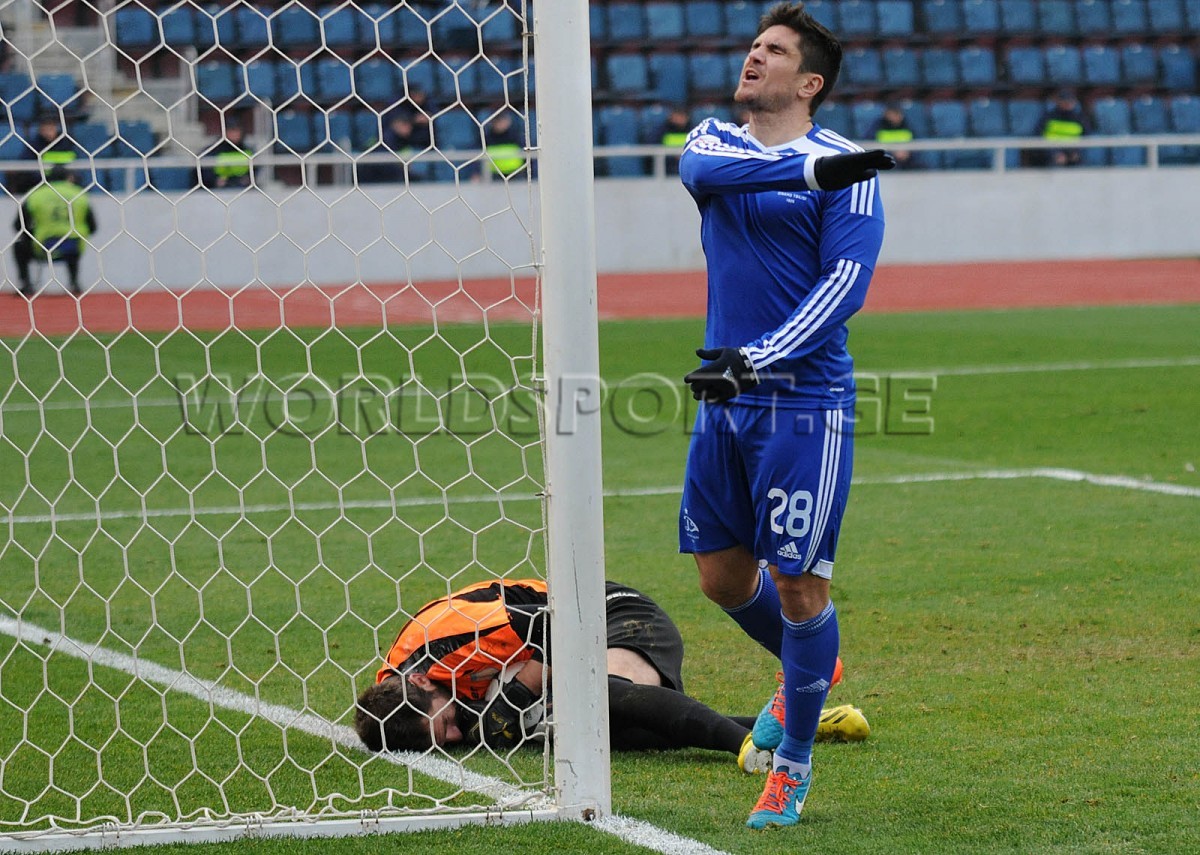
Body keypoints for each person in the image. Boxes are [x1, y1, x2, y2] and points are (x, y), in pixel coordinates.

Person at [675, 2, 892, 829]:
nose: (754, 57)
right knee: (722, 578)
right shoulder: (713, 141)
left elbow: (845, 288)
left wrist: (756, 358)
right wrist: (810, 174)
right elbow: (705, 176)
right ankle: (813, 667)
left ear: (810, 83)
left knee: (800, 583)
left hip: (803, 402)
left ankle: (792, 767)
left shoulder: (853, 168)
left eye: (775, 51)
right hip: (725, 397)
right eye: (754, 45)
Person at [353, 578, 869, 760]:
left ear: (421, 681)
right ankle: (798, 722)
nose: (454, 736)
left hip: (611, 615)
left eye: (446, 724)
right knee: (600, 735)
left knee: (596, 698)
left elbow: (558, 625)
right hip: (571, 649)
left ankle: (748, 750)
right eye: (442, 741)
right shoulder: (395, 700)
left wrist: (517, 697)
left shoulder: (449, 638)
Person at [11, 165, 97, 297]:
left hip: (44, 246)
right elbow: (93, 226)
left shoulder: (36, 195)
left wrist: (34, 233)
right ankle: (74, 283)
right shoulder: (79, 194)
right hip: (73, 246)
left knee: (18, 246)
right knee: (73, 242)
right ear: (68, 178)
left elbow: (19, 225)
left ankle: (26, 284)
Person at [1034, 89, 1091, 168]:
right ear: (1058, 102)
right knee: (1054, 167)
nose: (1067, 104)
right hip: (1053, 151)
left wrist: (1077, 152)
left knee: (1081, 167)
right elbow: (1039, 136)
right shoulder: (1048, 117)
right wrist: (1054, 153)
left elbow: (1086, 137)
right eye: (1064, 101)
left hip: (1073, 151)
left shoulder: (1080, 118)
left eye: (1070, 101)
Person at [202, 120, 253, 188]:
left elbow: (254, 170)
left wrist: (247, 179)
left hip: (242, 187)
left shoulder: (247, 150)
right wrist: (215, 180)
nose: (234, 134)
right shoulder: (213, 150)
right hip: (217, 189)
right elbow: (205, 170)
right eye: (231, 130)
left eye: (237, 131)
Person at [870, 102, 914, 169]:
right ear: (887, 114)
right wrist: (892, 152)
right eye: (894, 113)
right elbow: (871, 145)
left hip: (907, 161)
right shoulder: (878, 126)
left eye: (899, 113)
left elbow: (916, 143)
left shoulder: (908, 125)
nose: (898, 116)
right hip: (885, 161)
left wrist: (908, 152)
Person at [658, 106, 693, 175]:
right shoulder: (662, 131)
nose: (679, 119)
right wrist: (672, 156)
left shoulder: (693, 131)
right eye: (677, 116)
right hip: (667, 169)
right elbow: (655, 147)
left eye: (682, 116)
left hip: (688, 168)